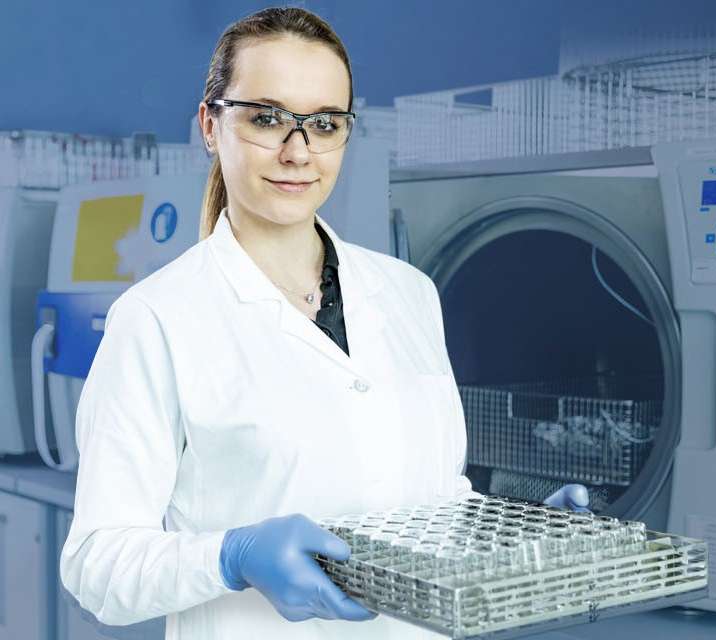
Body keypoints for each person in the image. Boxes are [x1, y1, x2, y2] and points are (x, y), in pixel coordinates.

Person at [60, 7, 589, 640]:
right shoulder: (156, 319)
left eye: (324, 123)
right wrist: (229, 557)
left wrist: (511, 534)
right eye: (267, 118)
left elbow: (433, 497)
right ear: (210, 125)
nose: (297, 151)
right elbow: (98, 565)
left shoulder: (407, 293)